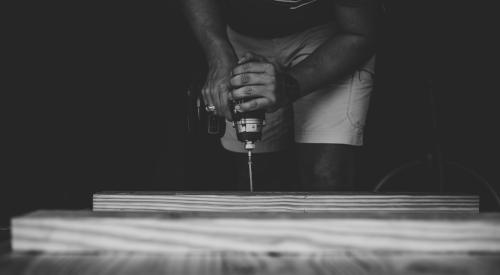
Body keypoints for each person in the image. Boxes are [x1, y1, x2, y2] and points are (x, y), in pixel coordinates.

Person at [181, 0, 378, 191]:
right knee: (256, 177)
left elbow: (359, 33)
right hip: (242, 35)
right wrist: (218, 54)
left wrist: (290, 86)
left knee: (326, 176)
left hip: (327, 40)